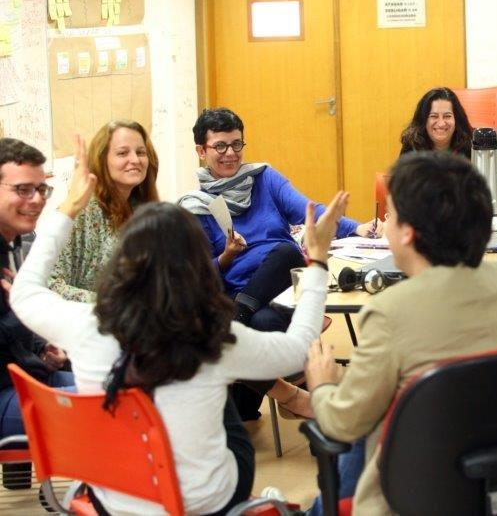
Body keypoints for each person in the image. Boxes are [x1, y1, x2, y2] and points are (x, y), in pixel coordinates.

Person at [10, 135, 348, 514]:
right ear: (196, 265)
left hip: (111, 502)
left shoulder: (86, 325)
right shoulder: (215, 339)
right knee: (218, 401)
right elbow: (298, 346)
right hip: (203, 505)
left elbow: (24, 293)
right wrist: (317, 262)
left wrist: (67, 208)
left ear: (123, 264)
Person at [304, 151, 497, 514]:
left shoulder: (390, 311)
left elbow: (343, 423)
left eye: (390, 215)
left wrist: (323, 383)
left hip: (415, 499)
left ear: (408, 233)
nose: (384, 224)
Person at [179, 107, 376, 420]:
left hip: (280, 282)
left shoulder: (265, 179)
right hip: (239, 291)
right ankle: (296, 394)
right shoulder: (194, 207)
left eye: (237, 144)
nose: (230, 153)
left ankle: (238, 323)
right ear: (201, 151)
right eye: (220, 146)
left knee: (286, 254)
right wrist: (226, 256)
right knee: (245, 401)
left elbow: (309, 212)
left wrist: (356, 227)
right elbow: (201, 277)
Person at [0, 139, 73, 438]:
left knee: (134, 390)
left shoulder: (17, 243)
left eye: (41, 189)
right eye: (22, 190)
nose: (36, 200)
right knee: (123, 407)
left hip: (29, 376)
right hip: (7, 391)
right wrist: (22, 309)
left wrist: (41, 347)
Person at [48, 120, 159, 302]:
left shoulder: (145, 212)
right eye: (123, 153)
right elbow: (51, 286)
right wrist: (115, 304)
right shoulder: (79, 212)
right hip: (87, 324)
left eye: (141, 152)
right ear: (102, 159)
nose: (135, 160)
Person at [399, 87, 474, 158]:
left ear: (456, 119)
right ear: (423, 120)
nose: (441, 124)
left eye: (447, 116)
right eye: (434, 116)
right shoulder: (411, 147)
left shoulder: (470, 147)